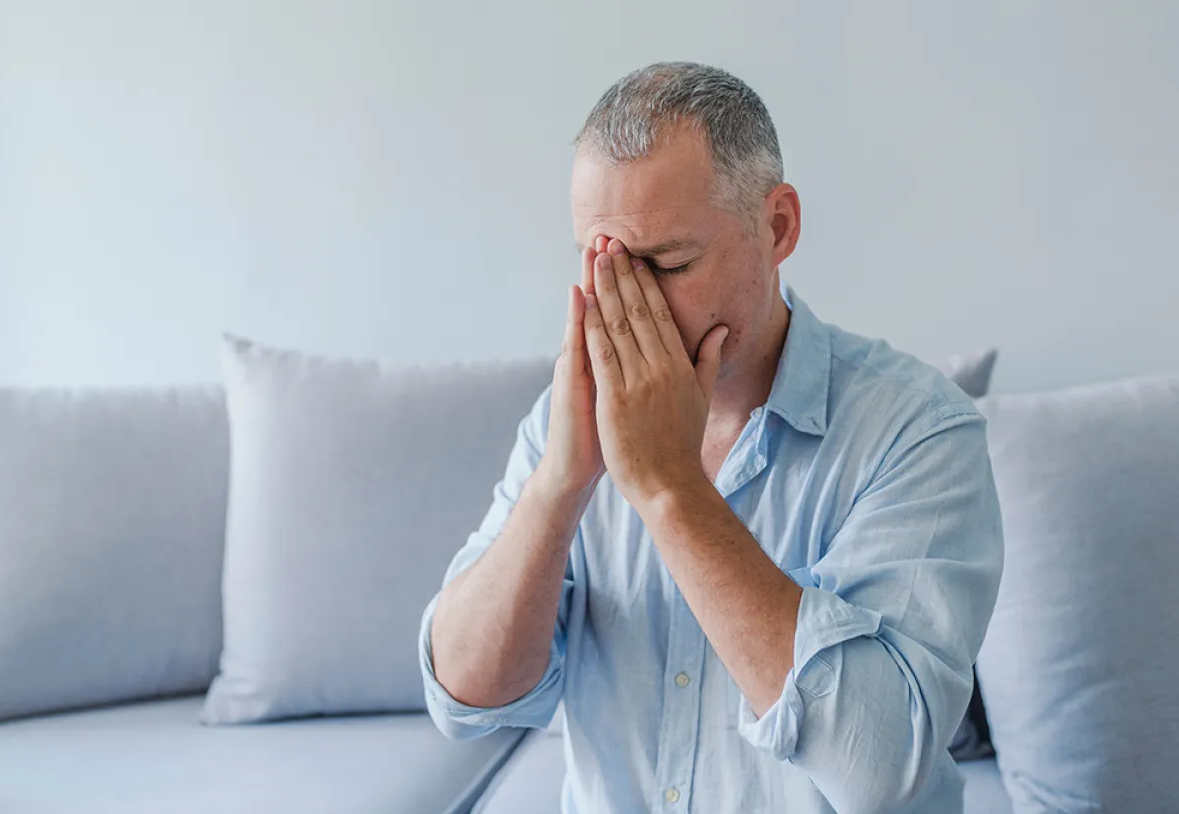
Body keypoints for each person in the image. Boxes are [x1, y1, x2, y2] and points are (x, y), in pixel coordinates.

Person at [419, 61, 1003, 813]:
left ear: (778, 227)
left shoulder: (920, 433)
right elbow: (463, 700)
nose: (629, 305)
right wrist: (559, 485)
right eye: (603, 263)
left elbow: (880, 769)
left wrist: (670, 488)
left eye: (669, 264)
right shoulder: (565, 419)